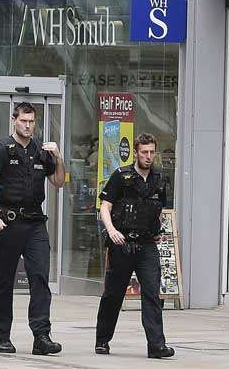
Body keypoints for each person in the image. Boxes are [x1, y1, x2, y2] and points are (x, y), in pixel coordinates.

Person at [0, 102, 66, 356]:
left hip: (35, 223)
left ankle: (41, 335)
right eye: (24, 121)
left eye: (31, 122)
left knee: (40, 277)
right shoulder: (2, 150)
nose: (28, 126)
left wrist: (58, 158)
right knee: (3, 282)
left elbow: (58, 182)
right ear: (14, 120)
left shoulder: (42, 150)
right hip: (8, 222)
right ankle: (2, 336)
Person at [94, 133, 174, 359]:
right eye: (144, 152)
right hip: (123, 242)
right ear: (136, 153)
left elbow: (160, 210)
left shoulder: (159, 179)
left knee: (152, 294)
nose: (148, 157)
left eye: (151, 152)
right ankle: (102, 340)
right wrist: (112, 231)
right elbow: (105, 206)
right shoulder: (121, 176)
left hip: (147, 243)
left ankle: (156, 345)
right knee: (113, 294)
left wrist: (158, 231)